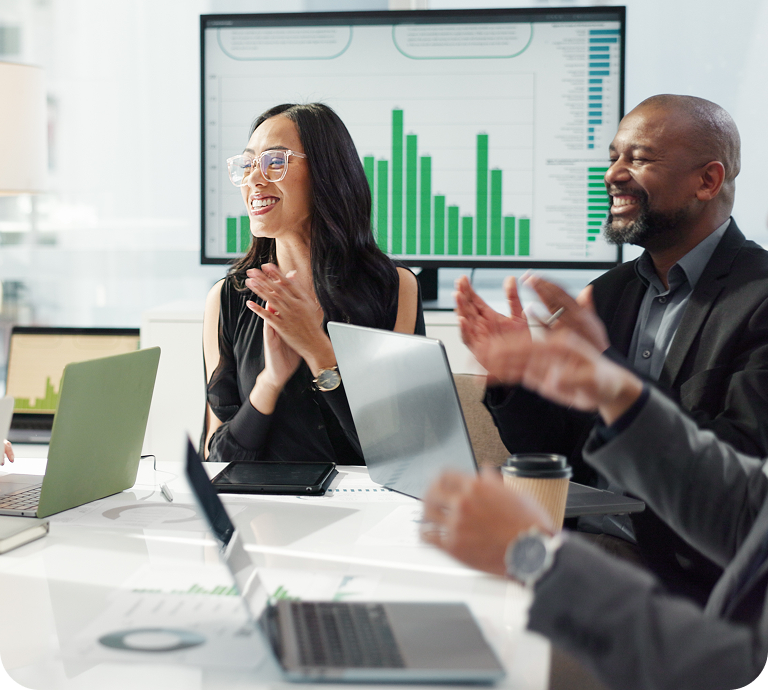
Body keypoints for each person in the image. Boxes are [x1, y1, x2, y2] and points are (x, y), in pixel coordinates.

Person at [461, 94, 768, 602]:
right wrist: (515, 377)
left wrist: (609, 378)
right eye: (613, 157)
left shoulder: (758, 299)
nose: (613, 174)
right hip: (584, 540)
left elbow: (741, 465)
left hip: (687, 574)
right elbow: (556, 452)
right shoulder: (608, 293)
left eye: (639, 158)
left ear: (707, 181)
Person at [422, 325, 768, 690]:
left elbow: (728, 670)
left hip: (659, 592)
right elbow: (747, 509)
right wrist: (616, 394)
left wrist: (536, 558)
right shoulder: (604, 295)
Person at [202, 102, 425, 463]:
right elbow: (217, 459)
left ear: (326, 172)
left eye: (274, 161)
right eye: (247, 164)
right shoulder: (226, 298)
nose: (254, 180)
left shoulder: (395, 288)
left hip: (364, 514)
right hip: (262, 513)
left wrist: (319, 353)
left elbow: (399, 453)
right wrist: (270, 382)